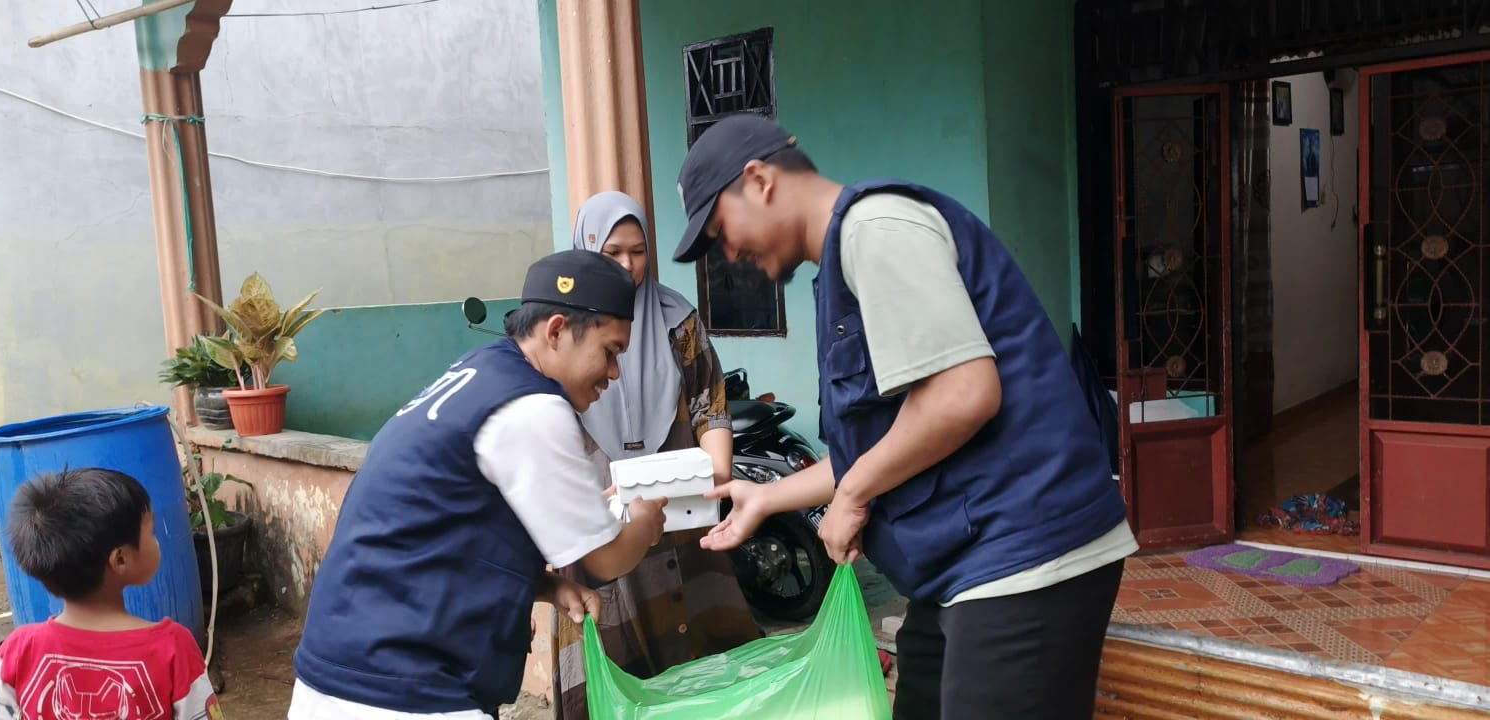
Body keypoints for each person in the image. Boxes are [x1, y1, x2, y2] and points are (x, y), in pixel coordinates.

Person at [675, 114, 1137, 720]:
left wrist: (854, 496)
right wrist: (769, 498)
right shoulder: (839, 268)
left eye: (721, 230)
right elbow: (889, 440)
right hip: (961, 566)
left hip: (1023, 557)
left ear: (759, 181)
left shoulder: (876, 229)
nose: (729, 253)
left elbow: (963, 394)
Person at [290, 250, 669, 720]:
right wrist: (646, 520)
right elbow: (606, 558)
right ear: (555, 331)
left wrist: (545, 586)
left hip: (340, 672)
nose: (613, 374)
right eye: (610, 352)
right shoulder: (532, 408)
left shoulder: (482, 372)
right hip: (400, 690)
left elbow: (442, 530)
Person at [552, 191, 762, 719]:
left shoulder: (677, 320)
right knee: (612, 657)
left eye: (638, 251)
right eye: (613, 251)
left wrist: (710, 477)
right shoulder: (564, 331)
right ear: (587, 248)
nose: (628, 265)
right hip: (599, 516)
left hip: (679, 514)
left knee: (696, 659)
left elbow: (709, 403)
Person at [0, 468, 221, 720]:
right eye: (150, 532)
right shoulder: (172, 648)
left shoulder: (19, 650)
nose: (157, 541)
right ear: (121, 559)